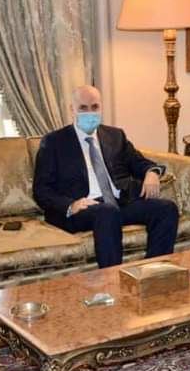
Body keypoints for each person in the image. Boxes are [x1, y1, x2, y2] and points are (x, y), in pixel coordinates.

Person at [33, 85, 179, 268]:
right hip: (83, 209)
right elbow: (41, 189)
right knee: (107, 212)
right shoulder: (54, 142)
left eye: (95, 107)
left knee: (166, 208)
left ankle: (154, 270)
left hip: (118, 202)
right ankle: (112, 277)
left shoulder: (115, 136)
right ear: (72, 109)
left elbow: (138, 162)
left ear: (101, 107)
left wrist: (152, 172)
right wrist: (71, 205)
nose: (90, 113)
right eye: (83, 108)